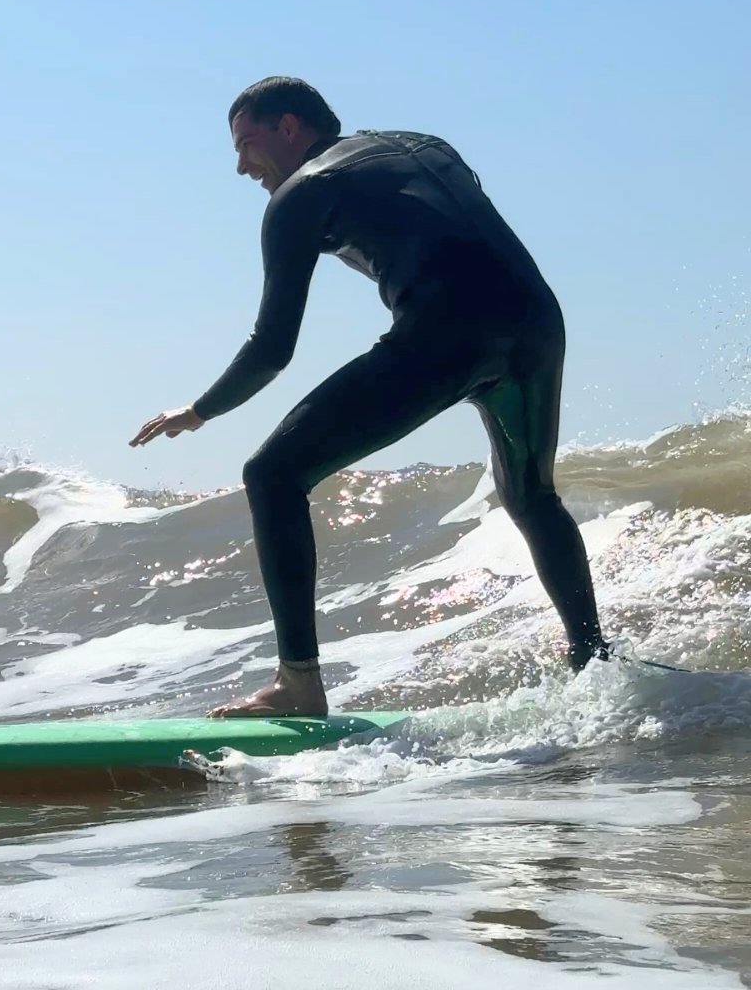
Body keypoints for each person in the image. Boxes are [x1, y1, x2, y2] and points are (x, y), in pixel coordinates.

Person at [130, 76, 608, 718]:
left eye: (247, 144)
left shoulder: (301, 194)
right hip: (537, 324)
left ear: (290, 128)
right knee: (531, 495)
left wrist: (201, 409)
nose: (241, 165)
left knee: (272, 474)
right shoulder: (423, 144)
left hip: (448, 333)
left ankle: (298, 683)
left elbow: (273, 347)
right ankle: (593, 663)